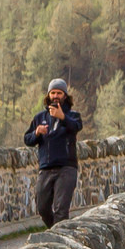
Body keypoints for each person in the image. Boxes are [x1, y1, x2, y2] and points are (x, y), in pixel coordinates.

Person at [24, 78, 83, 228]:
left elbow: (76, 127)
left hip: (66, 168)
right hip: (45, 168)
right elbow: (27, 139)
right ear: (48, 95)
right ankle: (56, 232)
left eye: (59, 93)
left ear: (65, 95)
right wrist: (37, 132)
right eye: (53, 93)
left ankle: (58, 239)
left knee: (60, 210)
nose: (56, 96)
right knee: (42, 208)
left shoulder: (73, 116)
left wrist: (62, 117)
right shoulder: (40, 118)